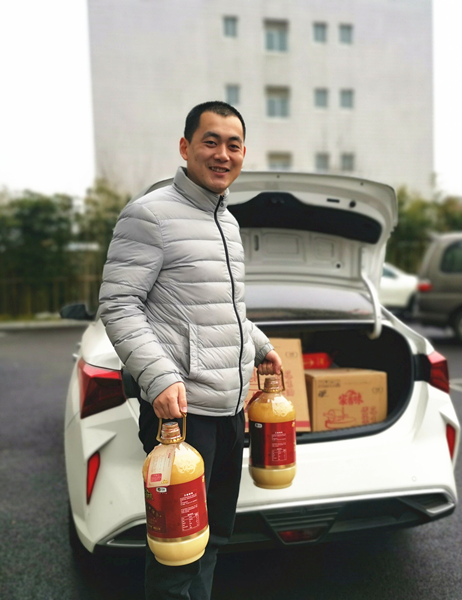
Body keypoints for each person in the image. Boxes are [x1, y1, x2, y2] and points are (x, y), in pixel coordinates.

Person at [98, 101, 282, 600]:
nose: (223, 154)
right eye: (210, 142)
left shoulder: (228, 222)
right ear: (185, 147)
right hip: (183, 414)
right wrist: (159, 377)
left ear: (243, 153)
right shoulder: (150, 214)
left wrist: (260, 345)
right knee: (177, 550)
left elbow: (221, 309)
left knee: (211, 537)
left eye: (233, 145)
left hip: (229, 407)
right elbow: (118, 304)